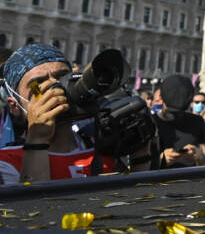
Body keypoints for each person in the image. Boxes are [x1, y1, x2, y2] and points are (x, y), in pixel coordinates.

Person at [0, 43, 153, 183]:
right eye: (38, 84)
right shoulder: (6, 162)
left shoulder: (104, 146)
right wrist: (37, 140)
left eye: (62, 77)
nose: (57, 88)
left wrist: (140, 154)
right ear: (14, 106)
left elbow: (132, 203)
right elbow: (36, 207)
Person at [154, 75, 205, 168]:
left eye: (180, 112)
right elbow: (139, 168)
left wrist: (200, 155)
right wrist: (162, 159)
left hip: (190, 179)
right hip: (158, 181)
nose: (176, 116)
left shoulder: (197, 121)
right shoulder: (151, 123)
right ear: (161, 98)